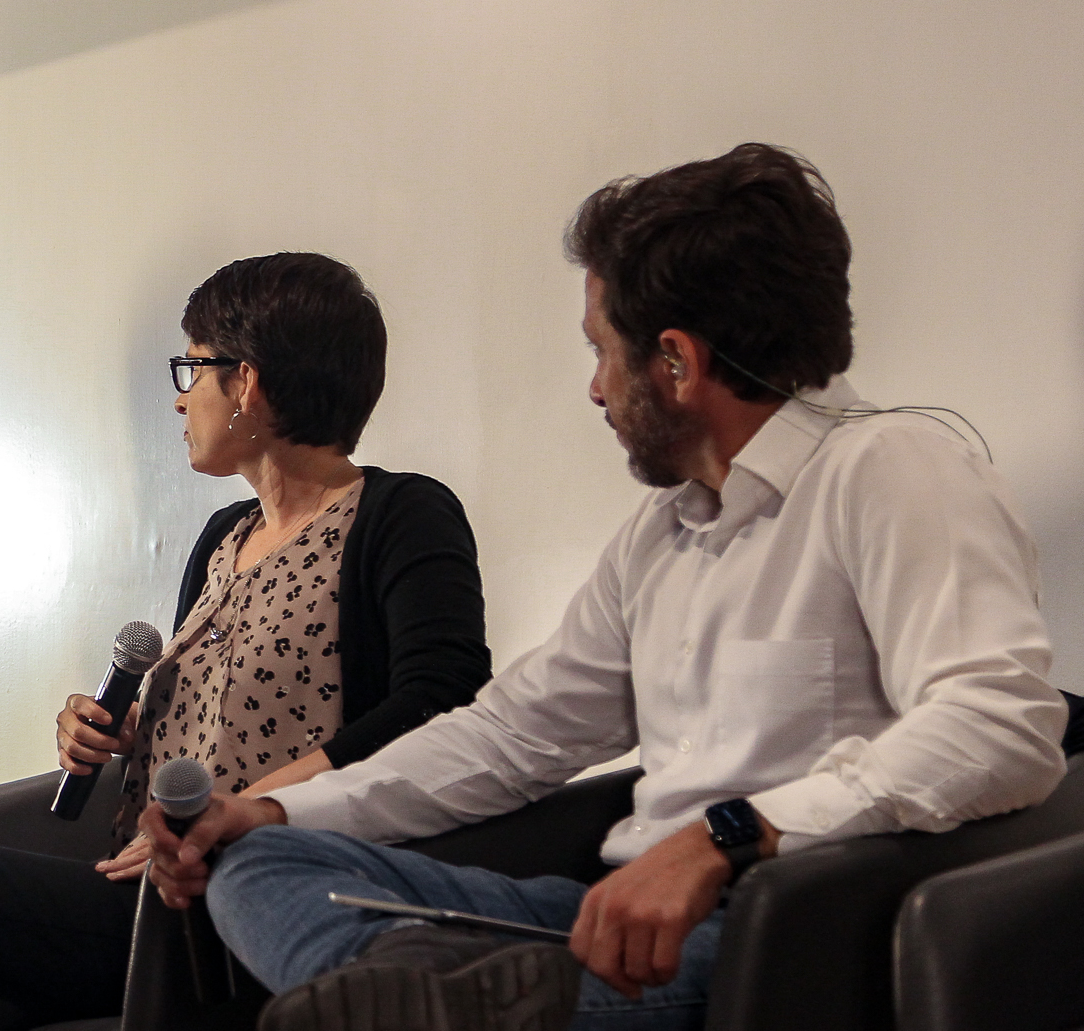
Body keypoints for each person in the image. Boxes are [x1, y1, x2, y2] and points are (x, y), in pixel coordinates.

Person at [139, 145, 1070, 1031]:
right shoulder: (661, 536)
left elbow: (1002, 722)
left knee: (384, 969)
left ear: (676, 361)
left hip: (776, 932)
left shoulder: (892, 471)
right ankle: (426, 990)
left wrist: (726, 836)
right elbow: (511, 735)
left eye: (602, 351)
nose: (595, 389)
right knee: (258, 861)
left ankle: (428, 996)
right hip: (599, 914)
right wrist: (268, 807)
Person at [0, 252, 492, 1031]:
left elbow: (441, 700)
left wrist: (249, 808)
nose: (179, 397)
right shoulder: (223, 538)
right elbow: (227, 715)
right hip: (146, 885)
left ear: (247, 381)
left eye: (191, 368)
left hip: (257, 889)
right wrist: (128, 730)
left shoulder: (398, 514)